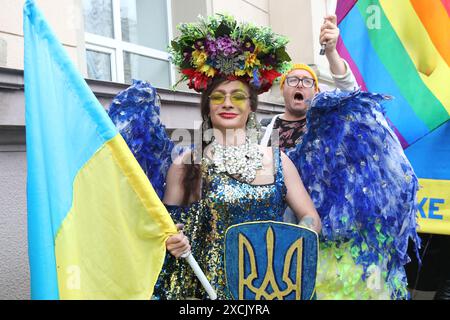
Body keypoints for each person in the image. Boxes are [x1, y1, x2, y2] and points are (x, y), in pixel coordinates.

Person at [150, 15, 321, 300]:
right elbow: (167, 231)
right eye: (218, 96)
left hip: (276, 289)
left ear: (251, 106)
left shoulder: (279, 160)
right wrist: (172, 241)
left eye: (238, 96)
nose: (228, 103)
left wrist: (296, 243)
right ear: (207, 106)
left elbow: (310, 217)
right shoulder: (185, 165)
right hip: (209, 291)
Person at [261, 14, 357, 152]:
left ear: (316, 91)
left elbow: (351, 95)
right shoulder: (271, 126)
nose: (300, 84)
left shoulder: (325, 122)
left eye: (307, 81)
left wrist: (331, 52)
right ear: (282, 89)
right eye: (293, 80)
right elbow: (270, 165)